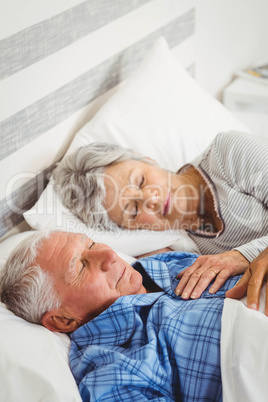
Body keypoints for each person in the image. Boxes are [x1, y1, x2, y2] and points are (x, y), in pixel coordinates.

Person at [1, 230, 268, 400]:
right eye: (80, 266)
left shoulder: (161, 264)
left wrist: (251, 253)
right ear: (63, 320)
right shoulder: (113, 373)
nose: (108, 254)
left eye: (91, 242)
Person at [53, 130, 268, 300]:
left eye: (141, 181)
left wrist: (245, 255)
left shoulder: (228, 152)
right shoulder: (177, 249)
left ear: (146, 159)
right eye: (134, 210)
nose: (151, 198)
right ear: (131, 229)